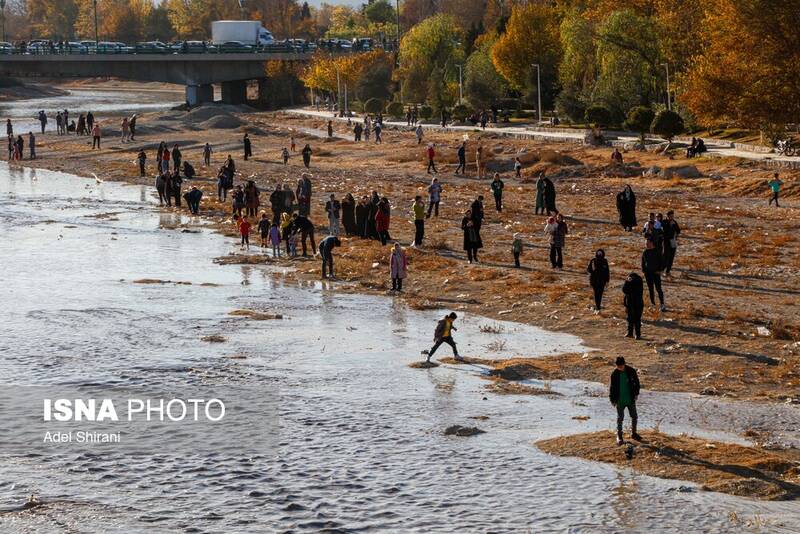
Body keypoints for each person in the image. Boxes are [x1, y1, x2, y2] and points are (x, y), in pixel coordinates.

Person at [610, 356, 641, 445]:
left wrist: (636, 394)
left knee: (634, 416)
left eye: (621, 366)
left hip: (630, 398)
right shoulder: (614, 374)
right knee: (620, 418)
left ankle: (634, 434)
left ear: (624, 364)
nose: (620, 368)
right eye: (618, 366)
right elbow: (612, 388)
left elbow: (637, 383)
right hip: (619, 400)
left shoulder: (631, 371)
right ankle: (619, 436)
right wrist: (612, 400)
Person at [642, 238, 665, 311]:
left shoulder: (657, 251)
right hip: (648, 274)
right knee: (650, 289)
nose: (646, 244)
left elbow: (662, 262)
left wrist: (660, 270)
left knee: (658, 289)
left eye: (647, 243)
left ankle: (662, 304)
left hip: (656, 273)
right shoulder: (645, 252)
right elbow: (643, 262)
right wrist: (644, 271)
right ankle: (653, 304)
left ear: (652, 243)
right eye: (646, 243)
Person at [623, 272, 644, 339]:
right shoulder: (640, 282)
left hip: (631, 303)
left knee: (631, 319)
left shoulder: (630, 282)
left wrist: (627, 282)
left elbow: (624, 290)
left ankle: (631, 333)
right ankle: (637, 334)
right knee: (636, 319)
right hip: (639, 303)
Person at [662, 210, 681, 275]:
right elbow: (664, 231)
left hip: (672, 241)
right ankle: (662, 269)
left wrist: (675, 234)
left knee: (671, 256)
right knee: (666, 256)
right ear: (667, 216)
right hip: (666, 241)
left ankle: (668, 271)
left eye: (672, 216)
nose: (671, 217)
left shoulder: (674, 222)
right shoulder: (664, 222)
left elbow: (678, 231)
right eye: (670, 216)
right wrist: (669, 225)